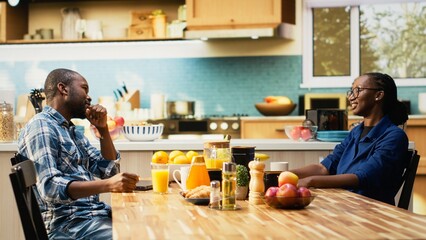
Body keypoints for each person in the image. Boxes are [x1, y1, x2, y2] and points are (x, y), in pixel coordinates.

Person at [18, 68, 139, 239]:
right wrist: (108, 185)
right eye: (84, 89)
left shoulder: (72, 131)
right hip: (67, 225)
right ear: (63, 89)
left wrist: (103, 130)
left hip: (90, 218)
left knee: (148, 225)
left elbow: (109, 171)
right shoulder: (42, 126)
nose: (89, 97)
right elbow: (50, 187)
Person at [290, 72, 409, 205]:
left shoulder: (394, 136)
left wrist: (310, 181)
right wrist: (287, 175)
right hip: (344, 204)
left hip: (372, 212)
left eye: (358, 90)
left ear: (378, 95)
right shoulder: (355, 133)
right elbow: (324, 168)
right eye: (351, 91)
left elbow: (363, 177)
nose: (351, 97)